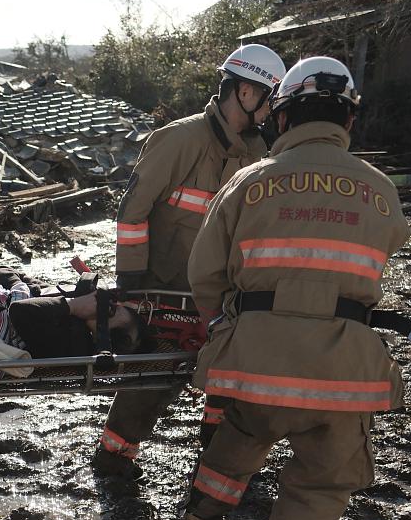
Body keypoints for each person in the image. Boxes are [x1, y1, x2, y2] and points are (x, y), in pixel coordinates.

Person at [178, 57, 408, 520]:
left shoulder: (248, 181)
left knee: (247, 424)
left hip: (254, 353)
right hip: (344, 366)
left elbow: (204, 273)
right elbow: (388, 249)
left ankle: (202, 510)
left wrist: (223, 329)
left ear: (282, 118)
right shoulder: (381, 189)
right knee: (324, 480)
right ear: (348, 121)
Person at [97, 44, 287, 479]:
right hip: (168, 290)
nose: (272, 109)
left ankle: (215, 462)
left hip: (227, 295)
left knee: (231, 379)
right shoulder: (179, 140)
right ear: (244, 91)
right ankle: (114, 456)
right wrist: (132, 282)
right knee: (154, 377)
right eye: (268, 97)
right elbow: (132, 212)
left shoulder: (258, 155)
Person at [0, 266, 146, 357]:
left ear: (100, 334)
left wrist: (73, 305)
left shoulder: (68, 340)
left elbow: (18, 310)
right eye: (113, 304)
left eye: (108, 311)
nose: (102, 302)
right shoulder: (69, 304)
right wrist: (18, 285)